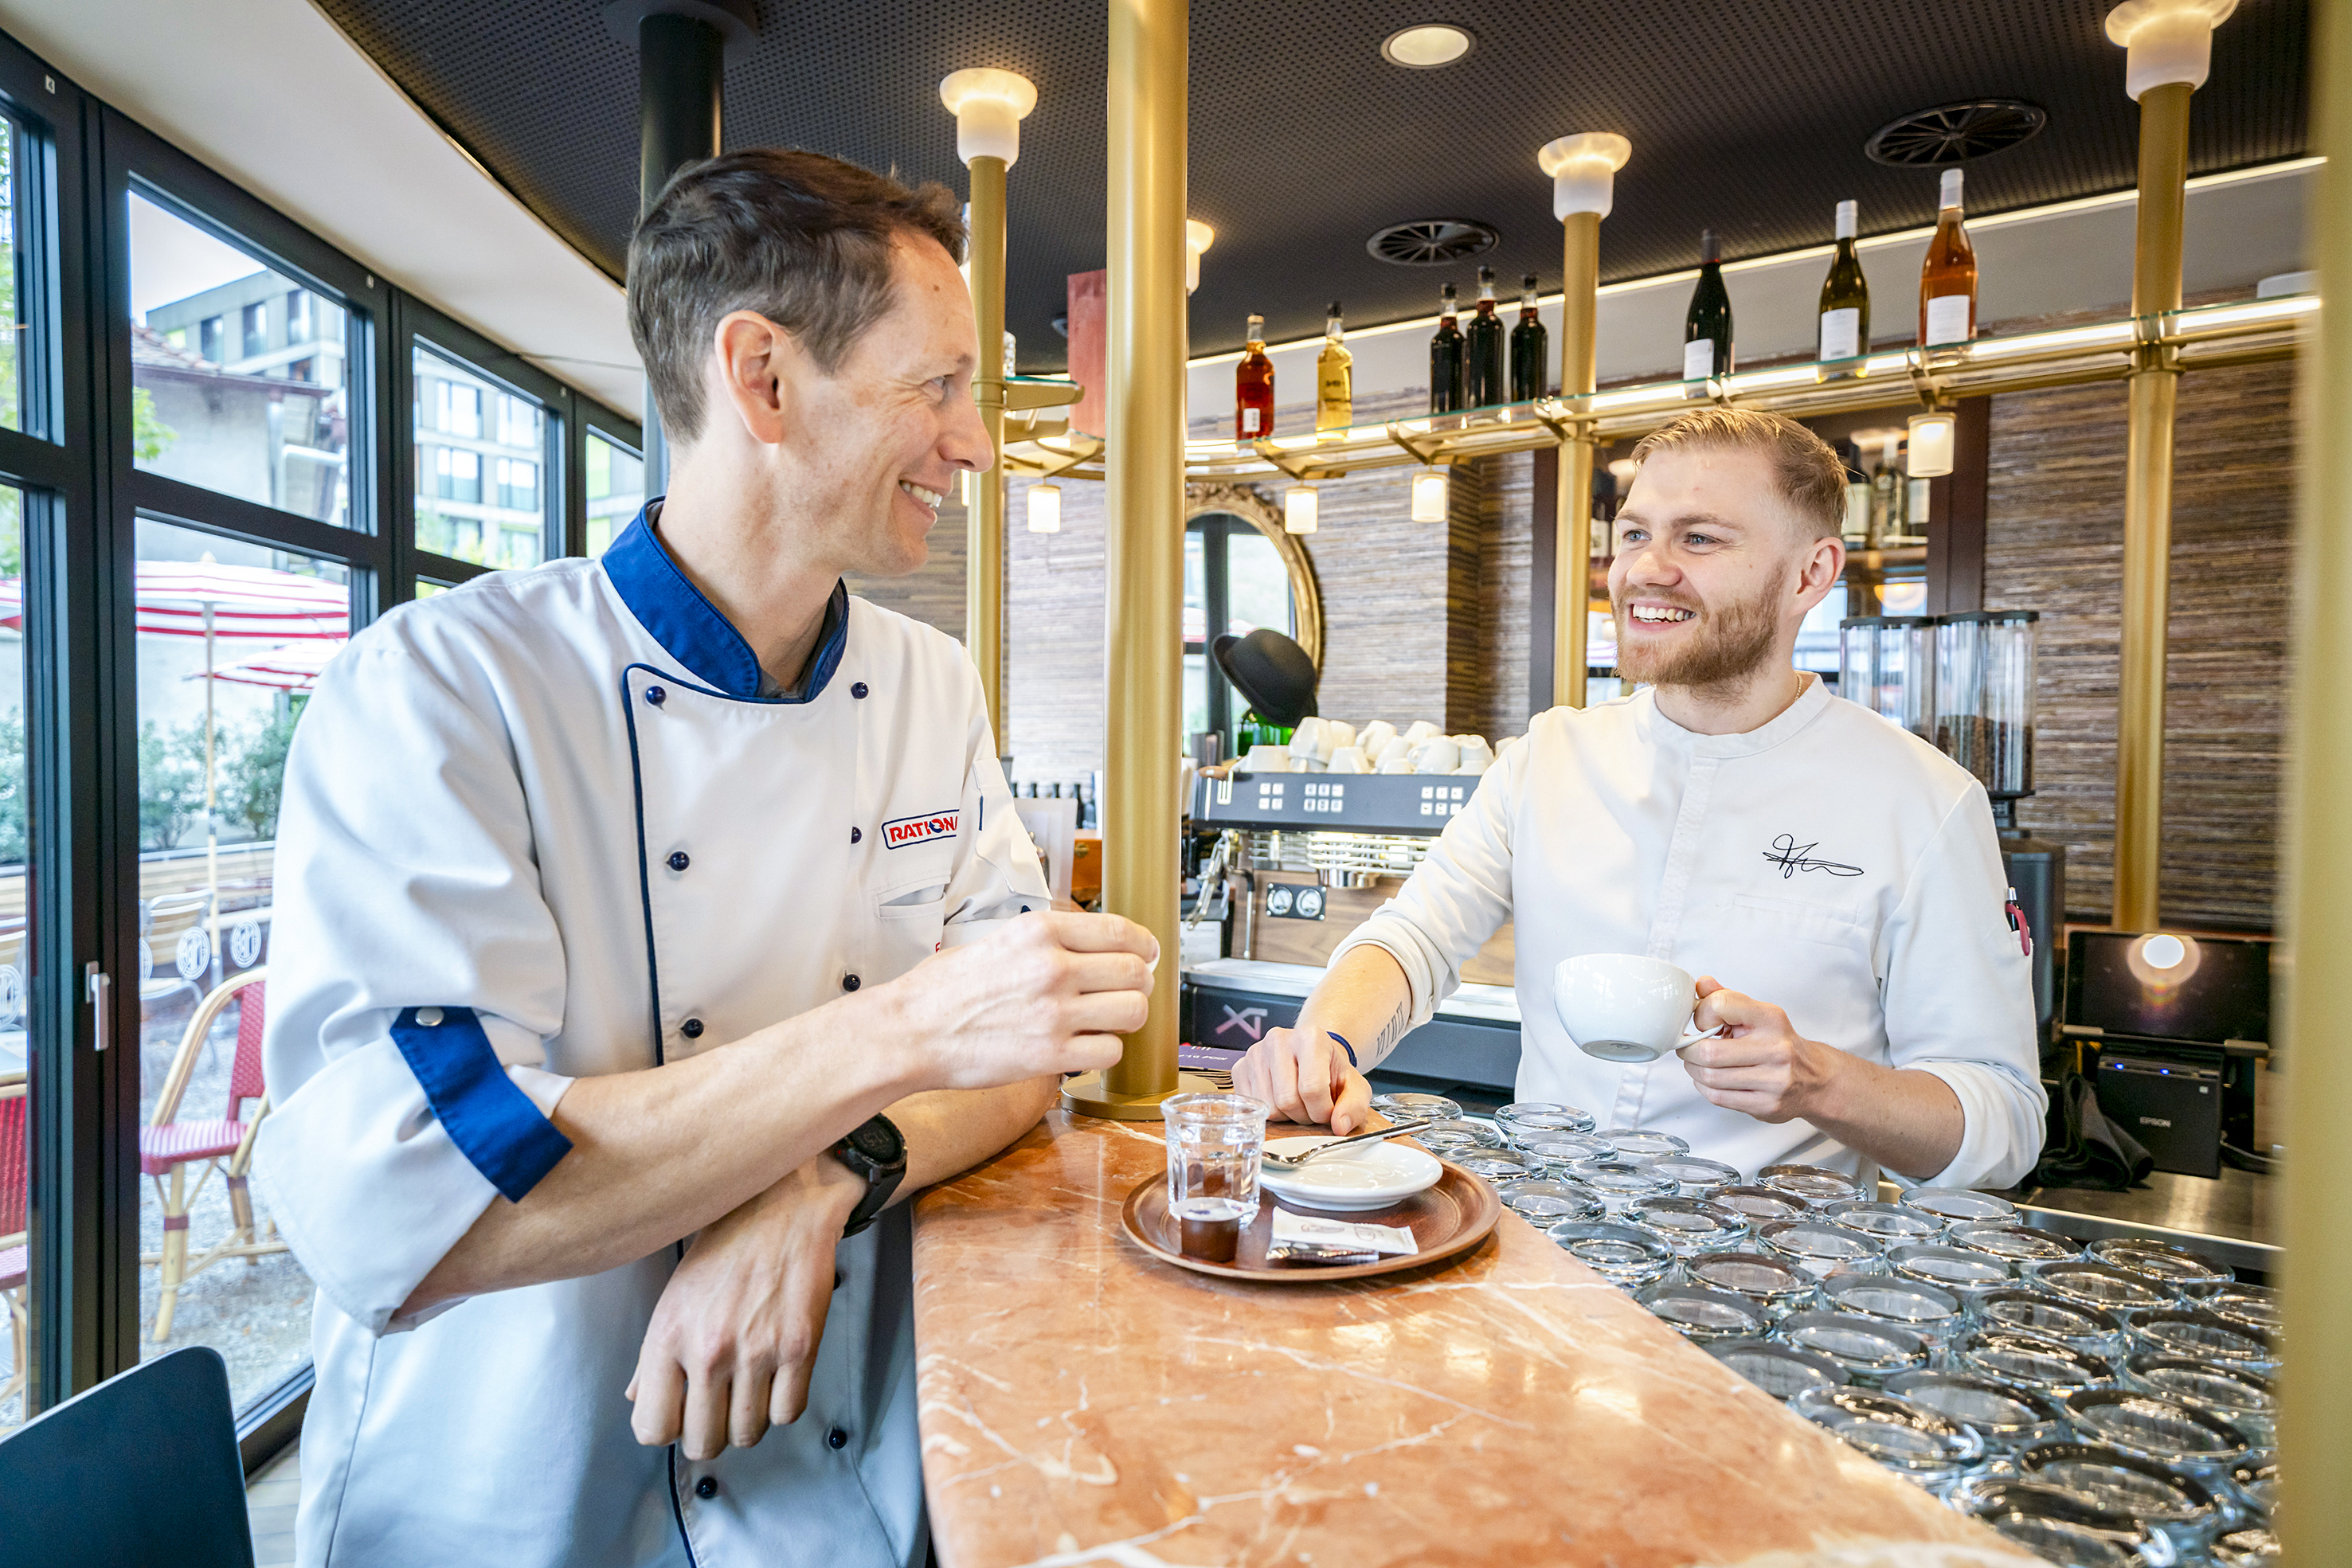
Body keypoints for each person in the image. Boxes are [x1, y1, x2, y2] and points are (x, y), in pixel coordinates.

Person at [252, 150, 1156, 1568]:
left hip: (844, 1488)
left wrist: (822, 1175)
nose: (975, 441)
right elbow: (415, 1196)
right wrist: (915, 1022)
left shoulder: (926, 680)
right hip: (506, 1507)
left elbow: (1021, 1056)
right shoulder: (444, 688)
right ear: (764, 379)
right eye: (937, 385)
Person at [1235, 407, 2045, 1191]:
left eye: (1697, 537)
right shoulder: (1549, 756)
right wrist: (1323, 1042)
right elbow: (1410, 942)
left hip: (1764, 1286)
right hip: (1544, 1260)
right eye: (1632, 534)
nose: (1644, 568)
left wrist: (1817, 1082)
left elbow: (2003, 1122)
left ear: (1812, 574)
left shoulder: (1925, 801)